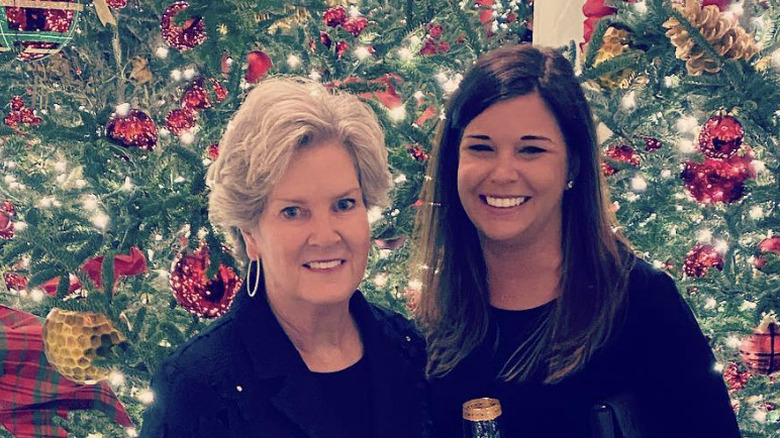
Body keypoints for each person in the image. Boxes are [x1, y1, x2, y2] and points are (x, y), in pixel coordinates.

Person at [413, 44, 740, 438]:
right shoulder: (435, 314)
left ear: (573, 164)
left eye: (531, 150)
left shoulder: (643, 303)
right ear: (454, 162)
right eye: (481, 148)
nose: (502, 173)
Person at [140, 77, 430, 438]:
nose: (325, 236)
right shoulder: (199, 388)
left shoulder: (411, 350)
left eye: (344, 204)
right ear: (250, 234)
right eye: (293, 211)